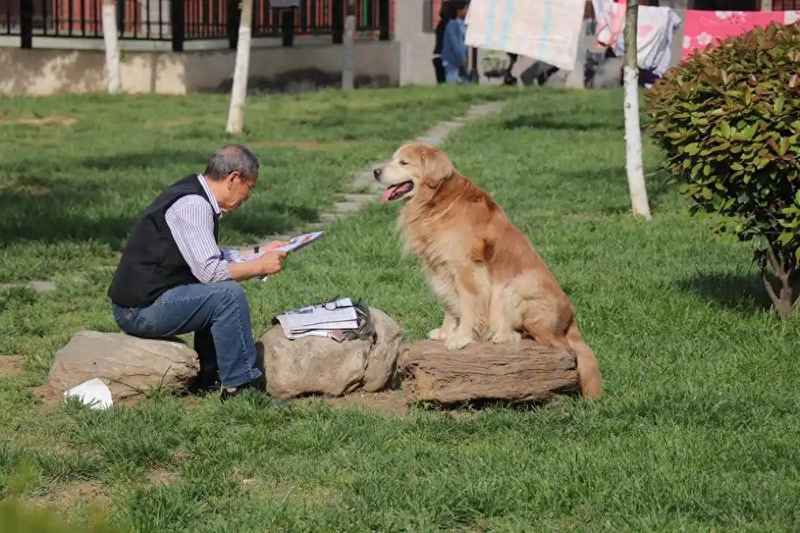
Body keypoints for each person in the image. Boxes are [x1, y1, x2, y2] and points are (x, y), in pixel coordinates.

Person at [108, 145, 287, 400]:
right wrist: (260, 267)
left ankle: (209, 377)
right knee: (226, 295)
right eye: (251, 186)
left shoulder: (194, 194)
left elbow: (206, 256)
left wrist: (258, 252)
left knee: (217, 293)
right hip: (138, 311)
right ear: (234, 178)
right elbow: (210, 272)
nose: (249, 195)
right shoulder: (194, 205)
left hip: (145, 301)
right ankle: (241, 388)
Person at [440, 1, 469, 84]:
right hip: (452, 64)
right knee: (452, 87)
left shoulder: (463, 25)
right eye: (466, 8)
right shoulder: (453, 25)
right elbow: (456, 45)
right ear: (459, 10)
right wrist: (462, 61)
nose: (468, 11)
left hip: (461, 63)